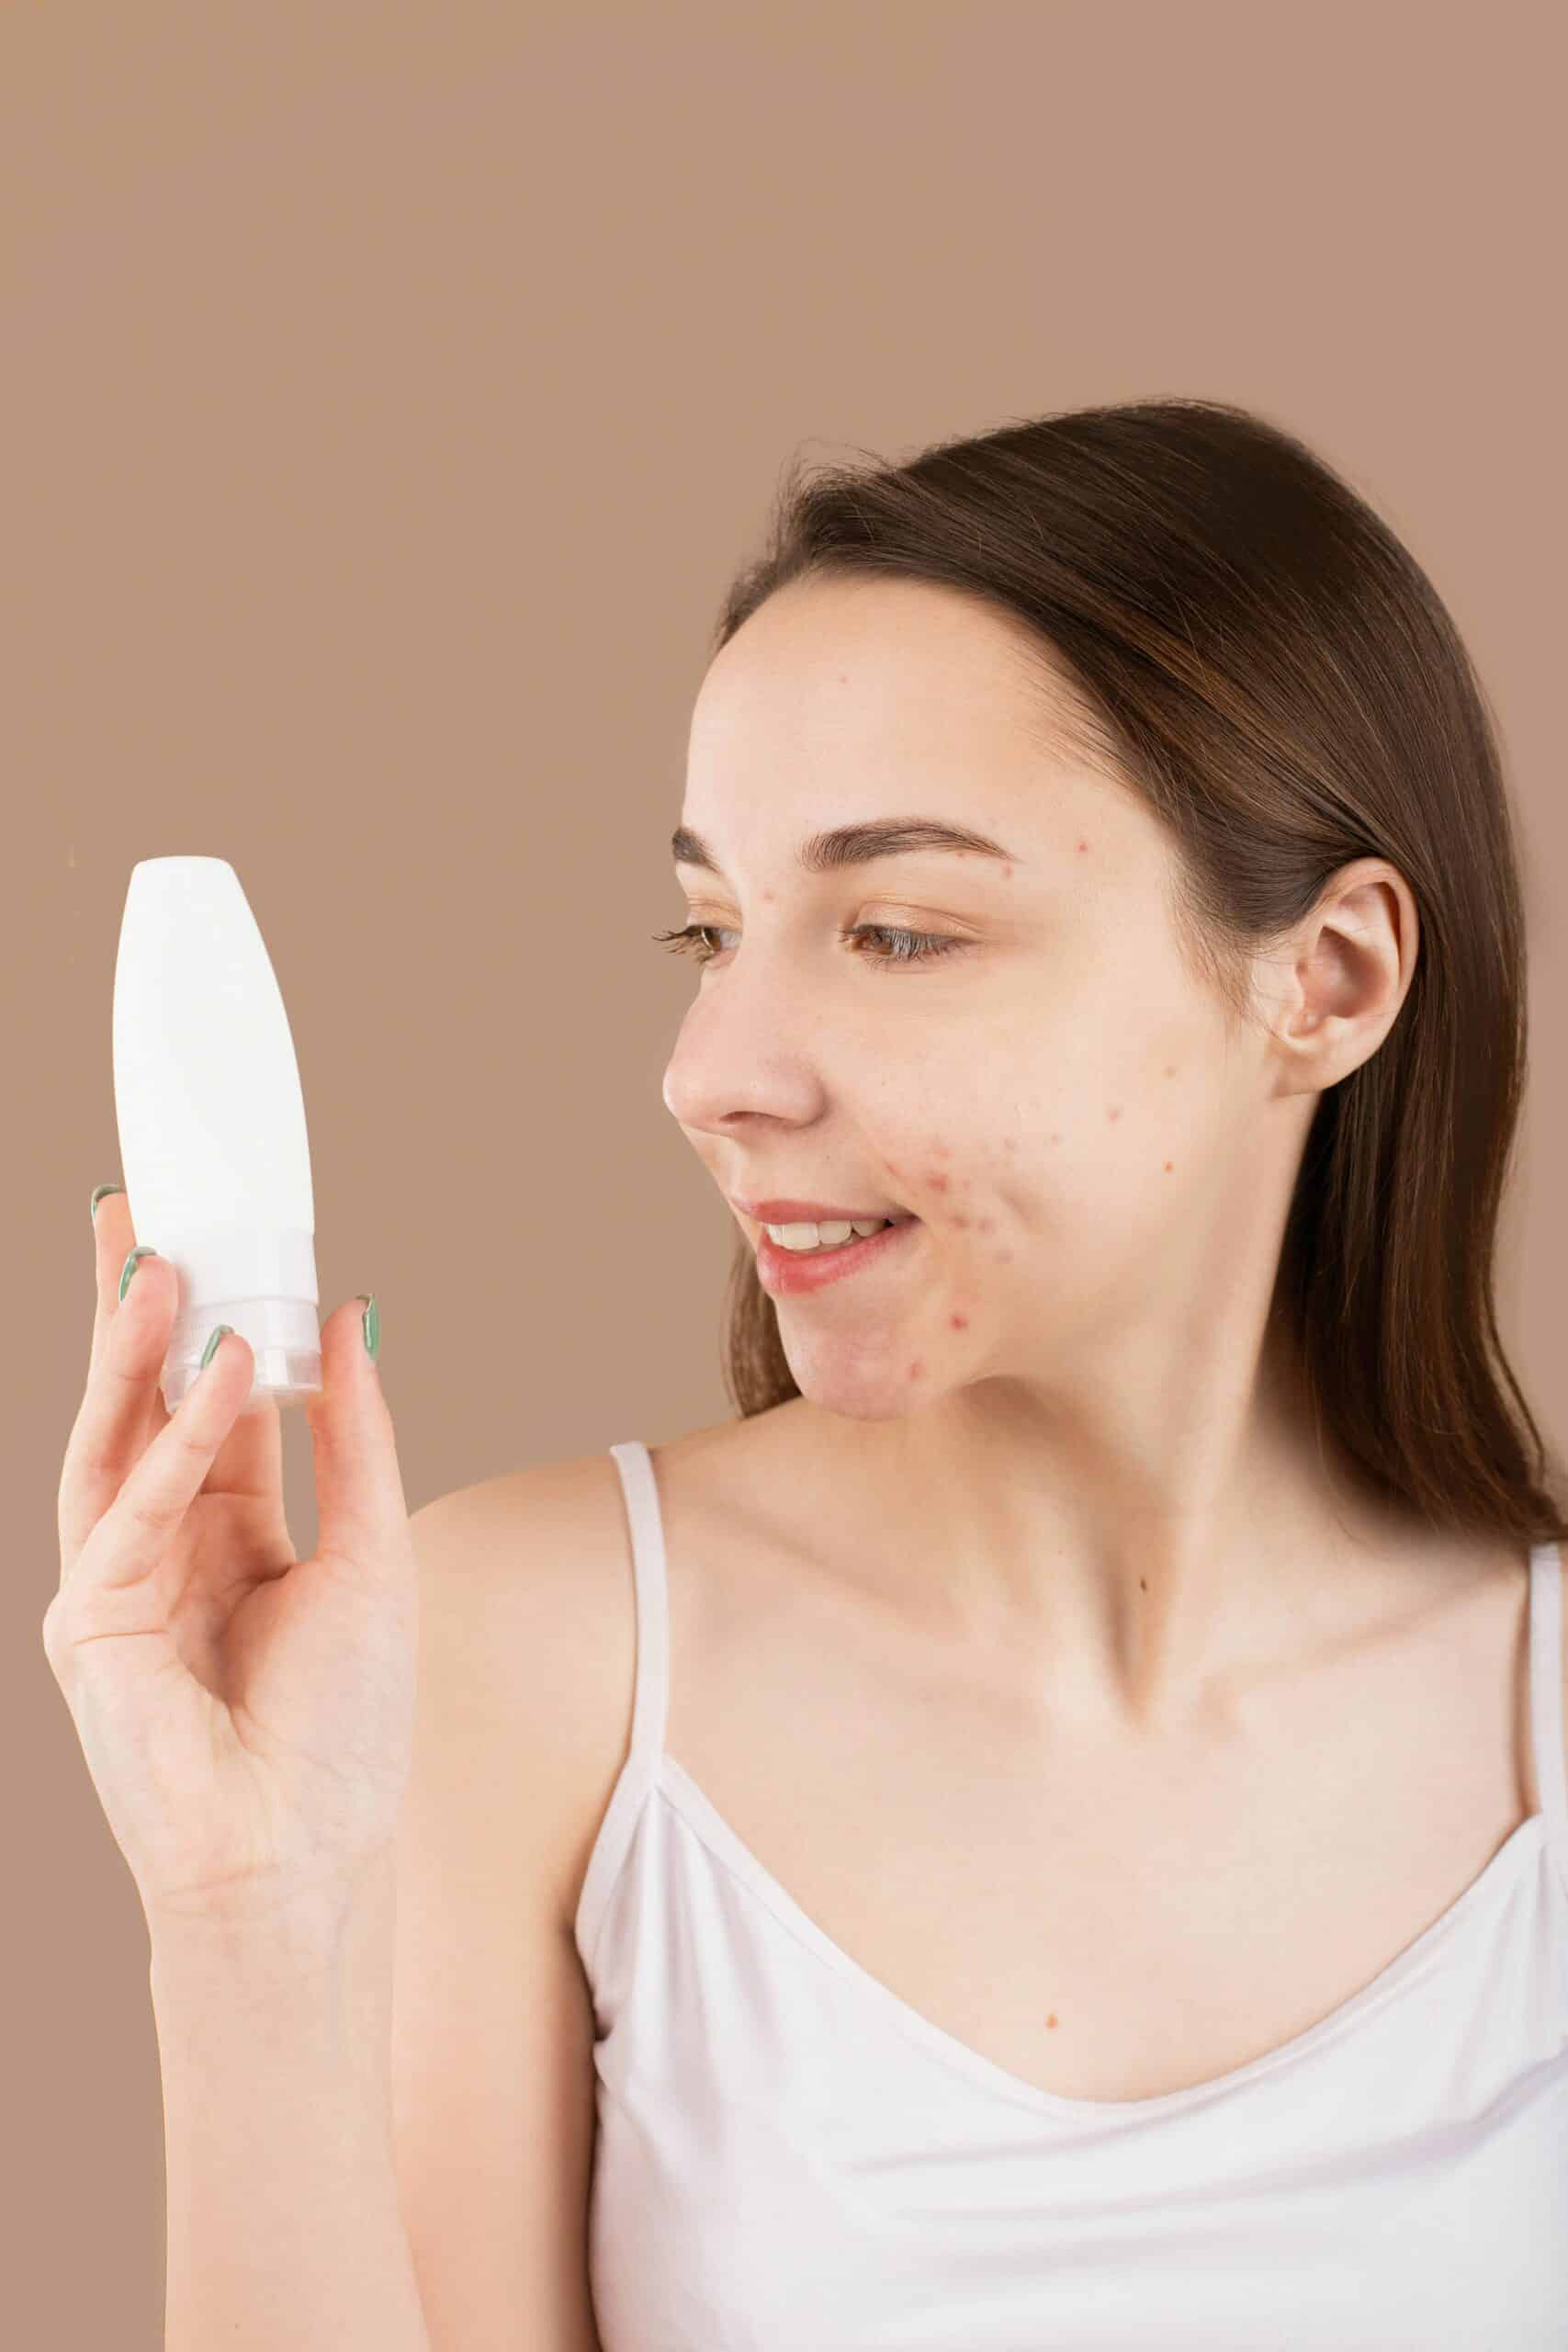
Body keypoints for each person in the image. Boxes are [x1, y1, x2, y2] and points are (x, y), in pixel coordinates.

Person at [48, 399, 1568, 2349]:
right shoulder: (541, 1659)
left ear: (1326, 981)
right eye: (708, 927)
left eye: (899, 930)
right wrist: (251, 1922)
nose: (711, 1075)